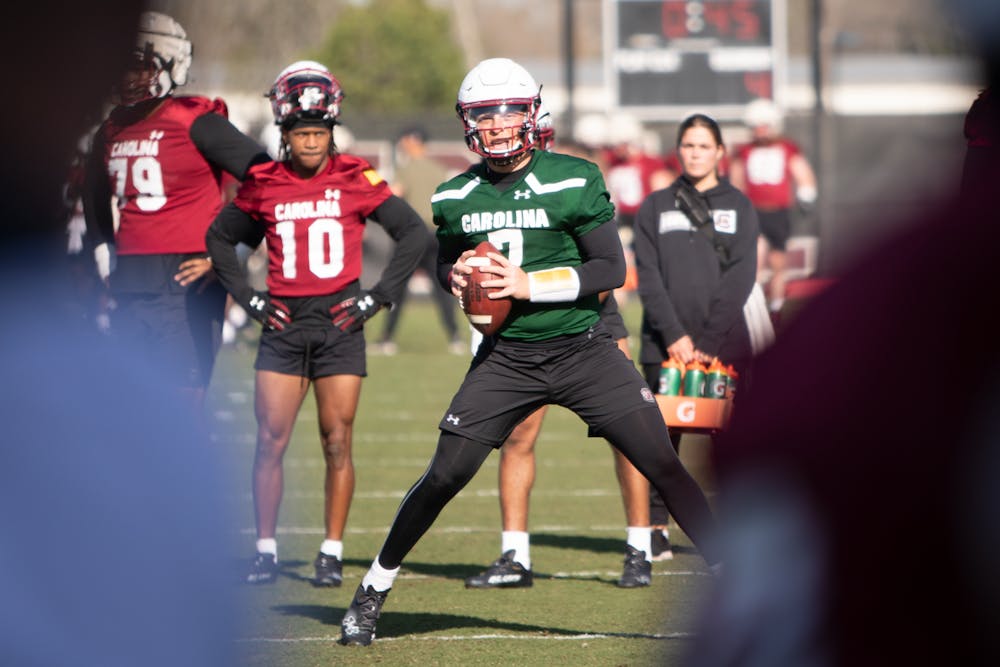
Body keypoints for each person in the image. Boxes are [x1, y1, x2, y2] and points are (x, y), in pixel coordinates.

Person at [339, 57, 721, 647]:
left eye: (507, 111)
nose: (495, 125)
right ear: (467, 123)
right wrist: (456, 276)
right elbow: (446, 258)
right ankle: (372, 590)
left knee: (662, 462)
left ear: (531, 113)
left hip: (583, 347)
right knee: (446, 474)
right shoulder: (455, 192)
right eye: (482, 115)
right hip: (508, 356)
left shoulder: (574, 177)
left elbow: (609, 267)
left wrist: (527, 284)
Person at [204, 61, 426, 586]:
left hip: (340, 322)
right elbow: (219, 238)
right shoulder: (263, 182)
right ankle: (265, 550)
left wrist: (379, 298)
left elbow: (412, 232)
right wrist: (249, 301)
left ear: (332, 130)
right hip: (282, 323)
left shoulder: (354, 176)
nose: (311, 142)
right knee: (270, 440)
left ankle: (330, 550)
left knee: (337, 441)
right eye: (302, 132)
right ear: (284, 131)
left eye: (319, 132)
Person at [463, 107, 655, 590]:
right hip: (523, 319)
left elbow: (606, 267)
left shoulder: (579, 181)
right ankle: (515, 554)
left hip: (591, 314)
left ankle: (639, 545)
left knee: (627, 433)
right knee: (518, 436)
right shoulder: (504, 187)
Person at [82, 11, 270, 407]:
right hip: (130, 276)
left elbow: (268, 179)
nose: (127, 78)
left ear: (170, 64)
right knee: (128, 403)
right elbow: (93, 192)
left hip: (188, 276)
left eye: (139, 66)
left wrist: (229, 253)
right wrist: (104, 252)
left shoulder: (196, 121)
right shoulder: (111, 128)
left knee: (183, 404)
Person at [633, 113, 759, 562]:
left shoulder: (740, 206)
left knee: (732, 443)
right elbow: (647, 277)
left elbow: (741, 275)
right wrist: (673, 335)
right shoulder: (656, 206)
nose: (695, 153)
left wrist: (708, 340)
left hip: (721, 345)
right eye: (688, 145)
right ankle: (656, 530)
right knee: (662, 445)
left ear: (720, 152)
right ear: (678, 149)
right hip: (664, 346)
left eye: (704, 146)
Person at [374, 124, 463, 354]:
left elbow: (394, 196)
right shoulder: (439, 169)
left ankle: (386, 339)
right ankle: (455, 338)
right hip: (436, 235)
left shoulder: (407, 168)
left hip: (413, 236)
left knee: (397, 287)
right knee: (442, 289)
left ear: (411, 141)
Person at [728, 98, 818, 314]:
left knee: (779, 262)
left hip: (779, 211)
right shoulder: (744, 151)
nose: (759, 131)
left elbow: (802, 173)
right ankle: (754, 304)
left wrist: (806, 193)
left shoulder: (788, 148)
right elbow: (736, 179)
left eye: (763, 125)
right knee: (755, 258)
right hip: (754, 211)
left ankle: (776, 305)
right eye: (756, 126)